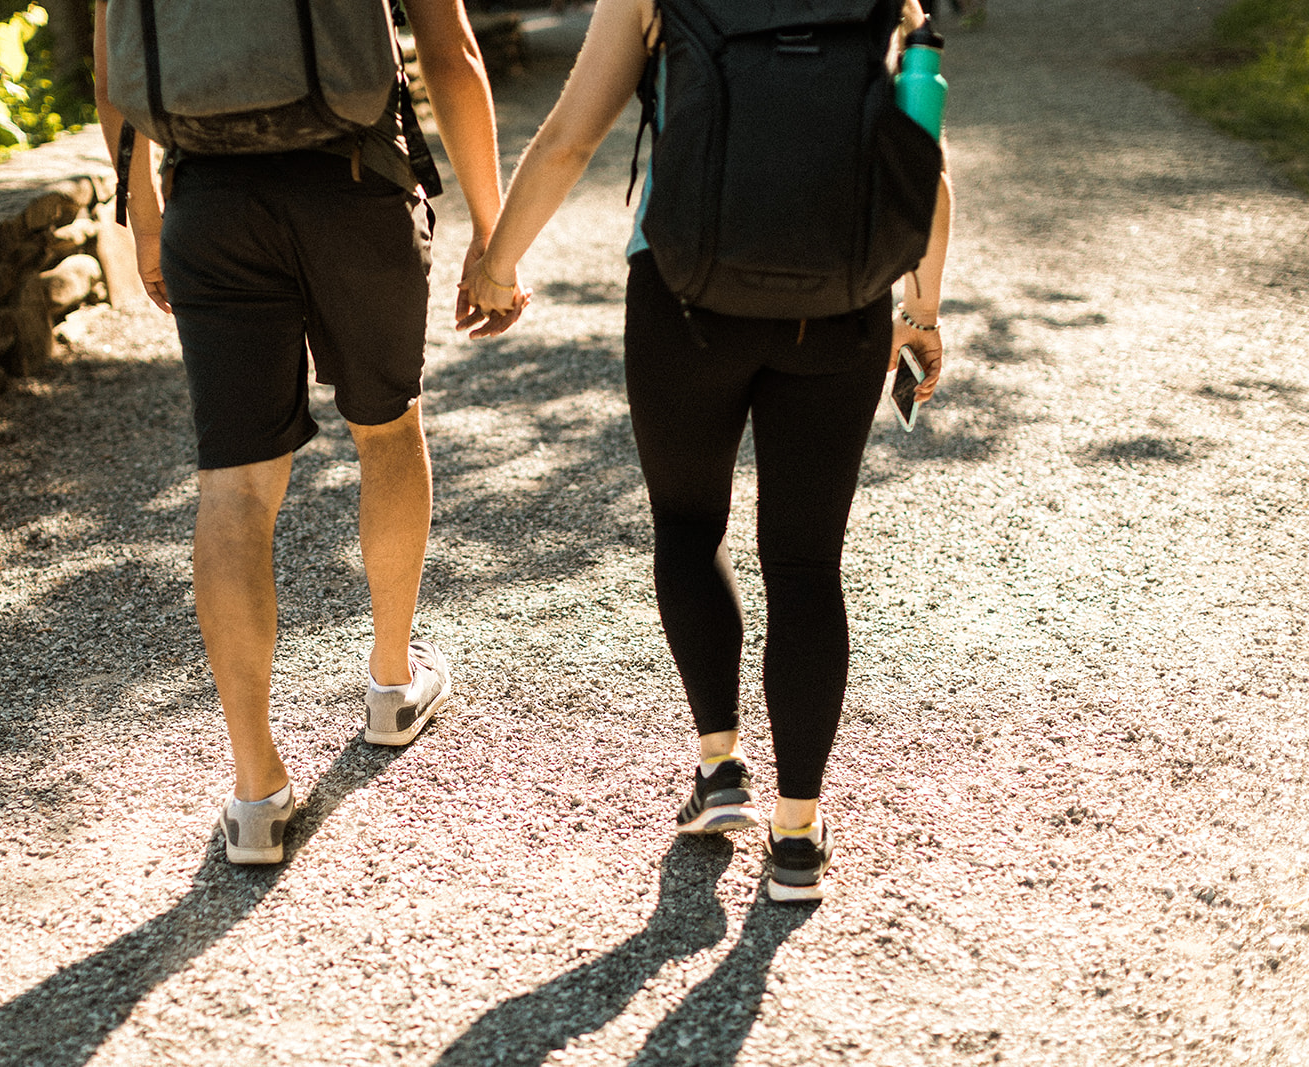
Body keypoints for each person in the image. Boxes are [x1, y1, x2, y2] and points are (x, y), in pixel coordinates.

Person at [458, 0, 954, 900]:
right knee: (806, 564)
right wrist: (919, 308)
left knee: (688, 524)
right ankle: (798, 833)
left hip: (684, 296)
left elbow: (571, 135)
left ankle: (720, 768)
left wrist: (498, 263)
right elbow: (921, 155)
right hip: (841, 305)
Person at [94, 0, 519, 864]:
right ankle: (393, 685)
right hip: (356, 185)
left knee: (236, 486)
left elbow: (113, 72)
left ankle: (256, 794)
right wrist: (492, 230)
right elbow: (450, 47)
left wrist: (145, 221)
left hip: (210, 201)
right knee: (388, 429)